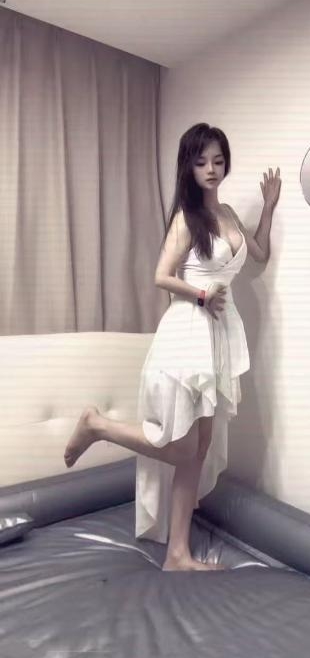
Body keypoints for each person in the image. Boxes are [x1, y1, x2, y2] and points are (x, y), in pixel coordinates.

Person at [63, 122, 281, 571]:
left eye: (218, 160)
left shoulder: (229, 216)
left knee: (198, 450)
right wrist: (201, 294)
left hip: (217, 336)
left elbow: (258, 252)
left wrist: (269, 208)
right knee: (182, 447)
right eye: (202, 162)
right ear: (189, 167)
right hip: (188, 332)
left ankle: (177, 553)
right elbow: (161, 276)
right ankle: (98, 425)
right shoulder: (187, 218)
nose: (212, 169)